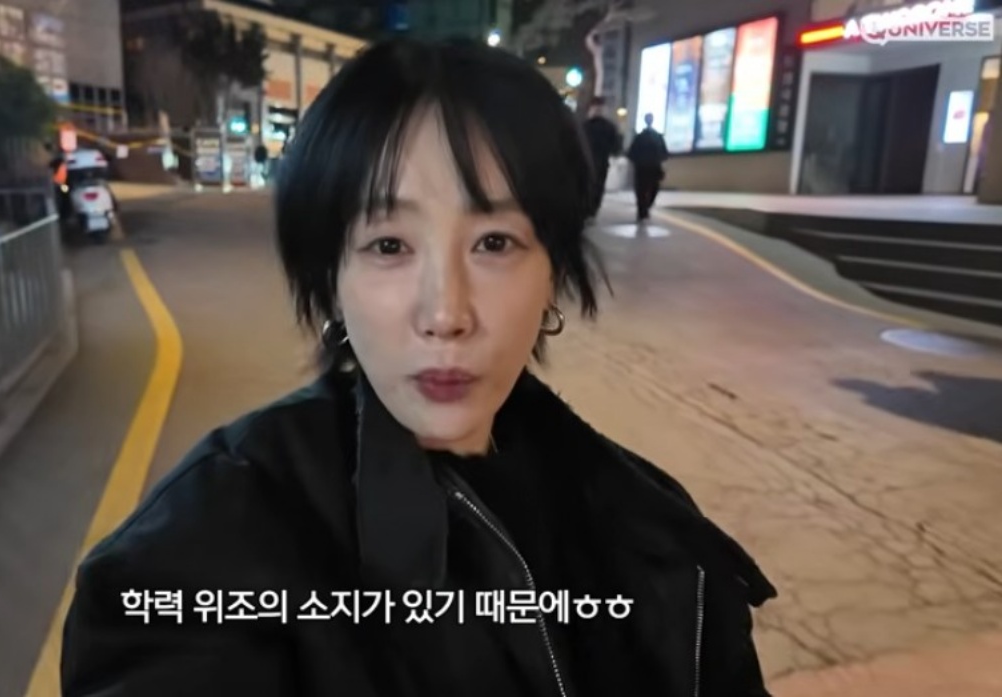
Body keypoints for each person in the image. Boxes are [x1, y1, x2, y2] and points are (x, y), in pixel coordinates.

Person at [60, 38, 775, 697]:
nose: (446, 313)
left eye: (494, 243)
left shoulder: (656, 530)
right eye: (389, 245)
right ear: (330, 279)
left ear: (553, 273)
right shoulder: (200, 555)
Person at [581, 96, 622, 215]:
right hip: (601, 161)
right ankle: (593, 209)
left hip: (587, 161)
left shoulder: (585, 126)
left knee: (588, 185)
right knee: (598, 185)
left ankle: (588, 208)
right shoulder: (609, 127)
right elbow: (616, 146)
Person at [627, 112, 669, 222]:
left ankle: (643, 210)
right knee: (651, 188)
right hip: (651, 167)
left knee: (642, 190)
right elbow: (664, 153)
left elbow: (631, 153)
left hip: (644, 167)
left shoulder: (641, 137)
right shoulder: (657, 137)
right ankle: (644, 209)